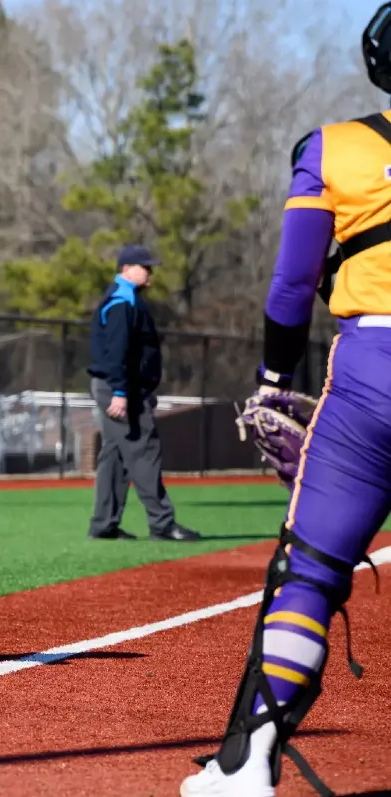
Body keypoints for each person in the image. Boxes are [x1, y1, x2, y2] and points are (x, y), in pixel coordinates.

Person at [179, 6, 391, 795]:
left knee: (307, 574)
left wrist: (274, 376)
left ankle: (249, 761)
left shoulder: (335, 147)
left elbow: (293, 282)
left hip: (372, 369)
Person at [86, 244, 201, 543]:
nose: (150, 272)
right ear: (126, 269)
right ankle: (162, 524)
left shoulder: (127, 298)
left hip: (122, 386)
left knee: (115, 455)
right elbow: (116, 352)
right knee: (143, 449)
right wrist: (121, 391)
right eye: (145, 267)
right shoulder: (122, 301)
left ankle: (103, 525)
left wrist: (141, 388)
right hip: (118, 387)